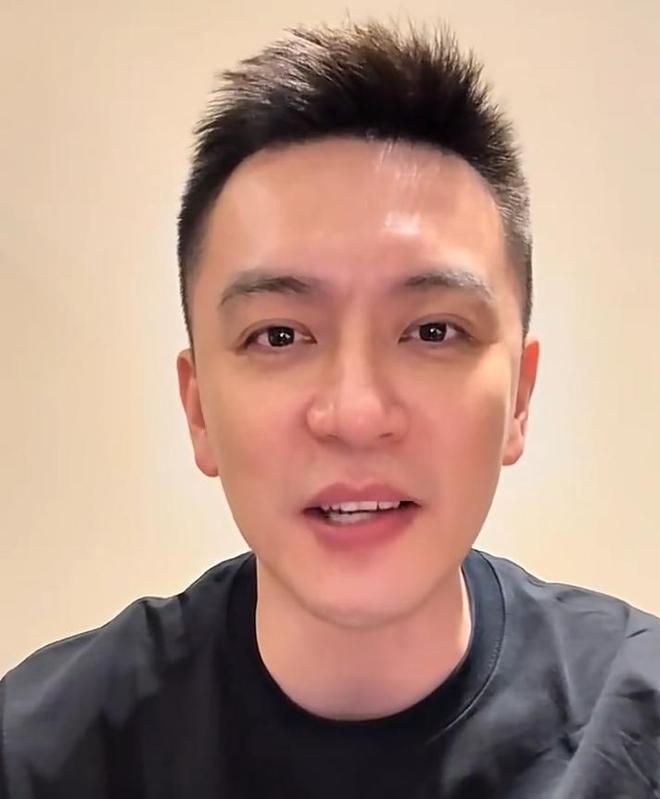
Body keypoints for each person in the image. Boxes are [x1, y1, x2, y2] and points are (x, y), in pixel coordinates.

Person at [1, 18, 659, 799]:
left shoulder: (636, 726)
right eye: (279, 335)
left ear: (519, 396)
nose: (355, 413)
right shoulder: (41, 754)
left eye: (433, 330)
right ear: (198, 409)